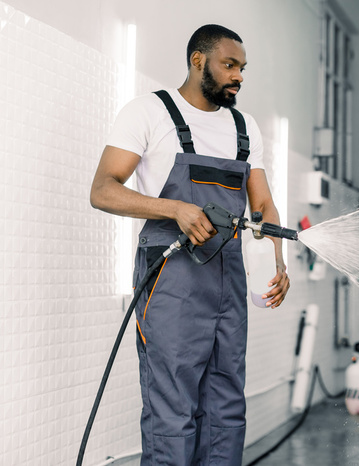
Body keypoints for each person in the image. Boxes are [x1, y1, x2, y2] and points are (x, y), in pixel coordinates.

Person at [90, 24, 290, 466]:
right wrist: (174, 208)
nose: (238, 76)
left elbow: (264, 208)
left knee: (226, 406)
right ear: (198, 60)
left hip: (229, 279)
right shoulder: (149, 111)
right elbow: (102, 190)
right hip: (171, 279)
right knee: (173, 408)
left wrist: (277, 261)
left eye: (242, 68)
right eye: (229, 65)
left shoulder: (244, 125)